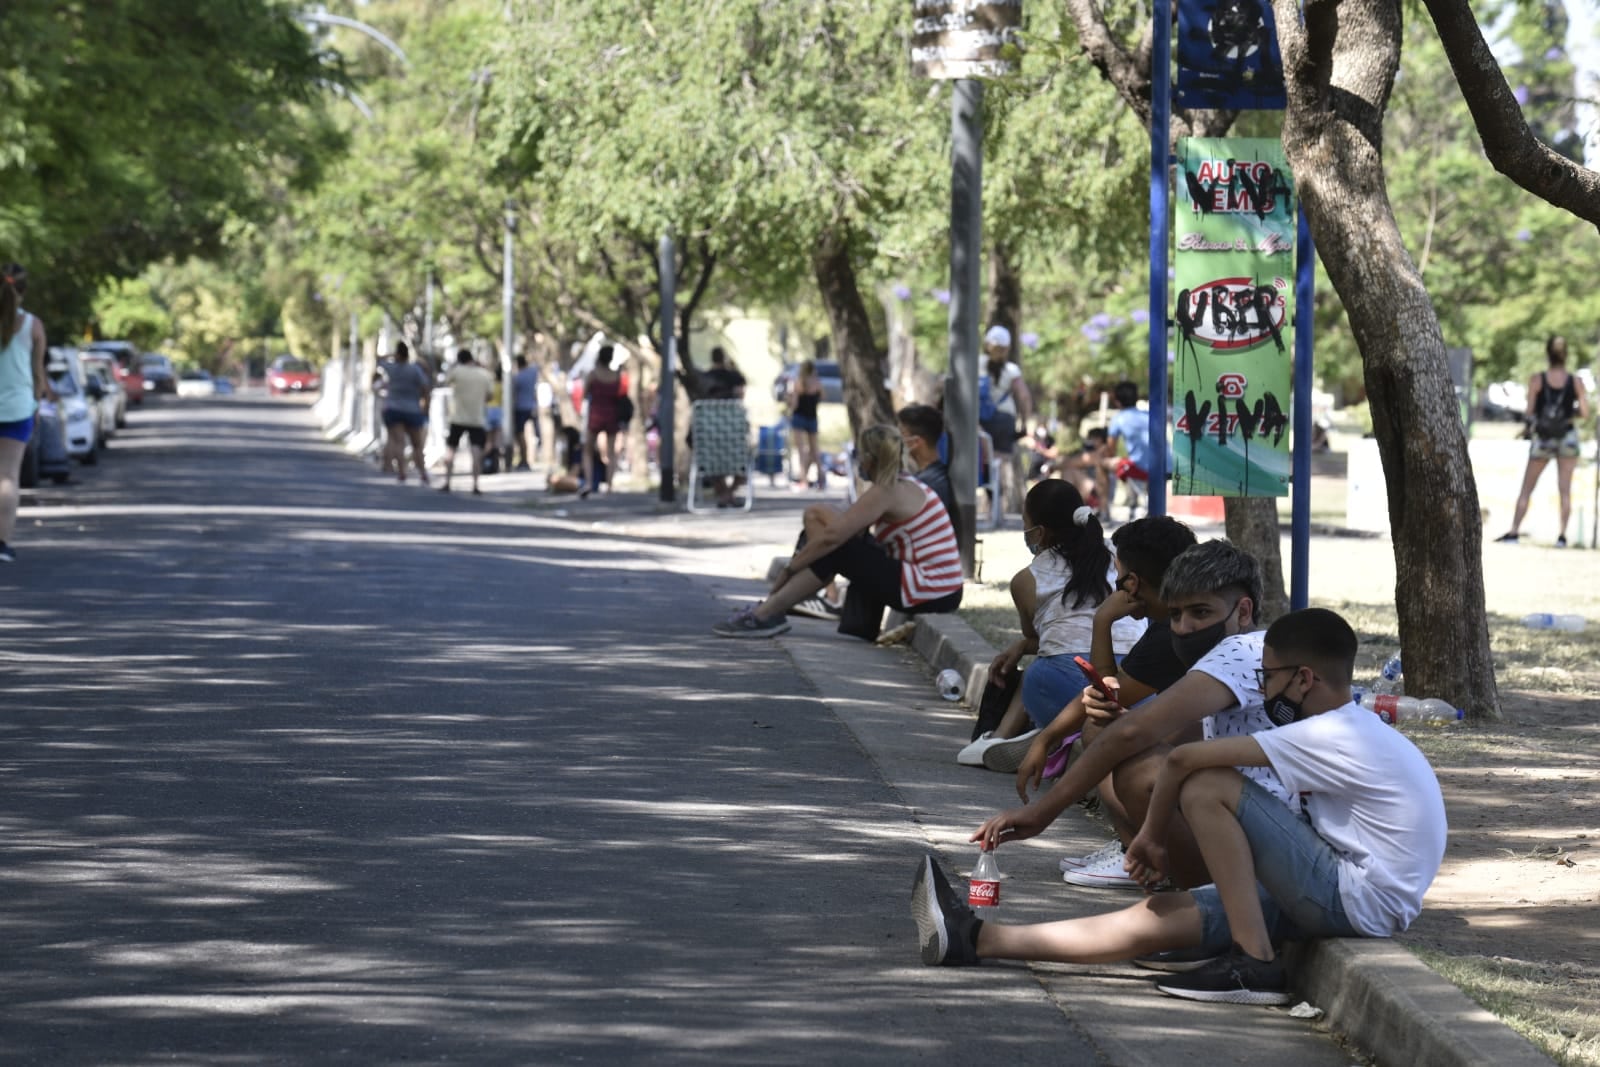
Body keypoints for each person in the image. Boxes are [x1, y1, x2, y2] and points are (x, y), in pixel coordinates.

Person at [912, 607, 1448, 1009]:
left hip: (1355, 896)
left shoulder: (1331, 733)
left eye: (1269, 677)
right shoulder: (1348, 728)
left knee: (1209, 783)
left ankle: (1254, 966)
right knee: (1162, 914)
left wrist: (1148, 838)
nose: (1262, 690)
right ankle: (975, 939)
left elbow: (1187, 762)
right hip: (1355, 894)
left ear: (1303, 678)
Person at [974, 540, 1291, 893]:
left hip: (1274, 833)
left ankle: (1204, 900)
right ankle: (1194, 894)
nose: (1184, 627)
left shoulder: (1238, 651)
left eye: (1200, 613)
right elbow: (1181, 734)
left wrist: (1041, 813)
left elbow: (1132, 735)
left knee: (1138, 767)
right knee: (1116, 741)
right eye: (1176, 614)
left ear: (1243, 611)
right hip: (1259, 823)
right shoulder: (1248, 651)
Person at [959, 482, 1147, 768]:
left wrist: (1024, 644)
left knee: (1042, 668)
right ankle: (1059, 737)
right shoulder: (1120, 558)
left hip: (1060, 678)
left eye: (1024, 522)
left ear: (1039, 532)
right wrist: (1022, 646)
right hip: (1138, 678)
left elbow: (1049, 641)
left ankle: (1038, 736)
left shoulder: (1027, 580)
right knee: (1058, 666)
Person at [713, 424, 963, 638]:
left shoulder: (886, 491)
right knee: (833, 539)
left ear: (871, 459)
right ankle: (775, 607)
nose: (857, 462)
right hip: (936, 586)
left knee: (837, 549)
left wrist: (792, 568)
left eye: (859, 455)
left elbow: (834, 538)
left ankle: (767, 613)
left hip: (932, 589)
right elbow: (845, 527)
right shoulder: (901, 485)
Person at [1498, 335, 1591, 547]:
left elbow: (1529, 412)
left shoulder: (1537, 380)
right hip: (1567, 437)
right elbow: (1585, 412)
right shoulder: (1575, 381)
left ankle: (1514, 532)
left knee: (1527, 487)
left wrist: (1543, 418)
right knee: (1565, 490)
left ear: (1547, 354)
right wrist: (1568, 413)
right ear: (1566, 355)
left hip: (1544, 439)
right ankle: (1562, 536)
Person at [0, 264, 49, 564]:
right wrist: (38, 404)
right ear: (23, 289)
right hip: (18, 409)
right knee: (7, 477)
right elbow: (38, 373)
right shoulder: (33, 325)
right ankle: (2, 543)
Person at [979, 325, 1032, 514]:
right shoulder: (1012, 370)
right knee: (1002, 462)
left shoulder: (977, 363)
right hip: (1004, 419)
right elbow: (1024, 396)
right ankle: (999, 507)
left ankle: (987, 500)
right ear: (1007, 348)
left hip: (980, 422)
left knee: (984, 460)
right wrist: (1024, 424)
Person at [440, 349, 494, 495]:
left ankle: (447, 482)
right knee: (476, 451)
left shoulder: (457, 371)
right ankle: (475, 484)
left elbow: (446, 380)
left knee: (451, 448)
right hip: (476, 418)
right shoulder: (484, 374)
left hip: (457, 417)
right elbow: (490, 396)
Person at [376, 343, 432, 486]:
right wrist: (426, 406)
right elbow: (425, 387)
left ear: (398, 354)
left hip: (393, 409)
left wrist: (392, 356)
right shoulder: (415, 370)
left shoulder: (392, 368)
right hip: (412, 409)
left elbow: (379, 360)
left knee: (398, 442)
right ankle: (423, 473)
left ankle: (402, 472)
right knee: (417, 444)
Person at [1099, 381, 1152, 519]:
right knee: (1129, 464)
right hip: (1163, 466)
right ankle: (1135, 504)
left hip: (1140, 468)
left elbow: (1111, 450)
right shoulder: (1148, 414)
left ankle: (1104, 511)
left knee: (1101, 463)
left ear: (1117, 402)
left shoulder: (1118, 419)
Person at [897, 403, 957, 520]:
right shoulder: (933, 477)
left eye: (901, 434)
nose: (897, 440)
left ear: (916, 442)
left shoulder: (927, 484)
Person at [581, 344, 625, 498]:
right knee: (611, 452)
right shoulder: (616, 376)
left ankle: (588, 482)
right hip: (612, 414)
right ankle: (610, 485)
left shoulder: (593, 374)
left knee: (587, 450)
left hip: (596, 414)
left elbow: (585, 394)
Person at [787, 359, 824, 490]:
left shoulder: (798, 383)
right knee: (814, 449)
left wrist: (789, 407)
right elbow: (822, 397)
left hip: (799, 417)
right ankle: (821, 477)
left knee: (801, 450)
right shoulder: (817, 383)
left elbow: (795, 404)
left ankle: (804, 479)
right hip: (812, 417)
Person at [511, 355, 542, 471]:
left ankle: (524, 459)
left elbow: (513, 393)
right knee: (532, 434)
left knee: (520, 435)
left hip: (520, 408)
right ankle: (527, 458)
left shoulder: (517, 377)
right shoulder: (533, 372)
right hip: (532, 407)